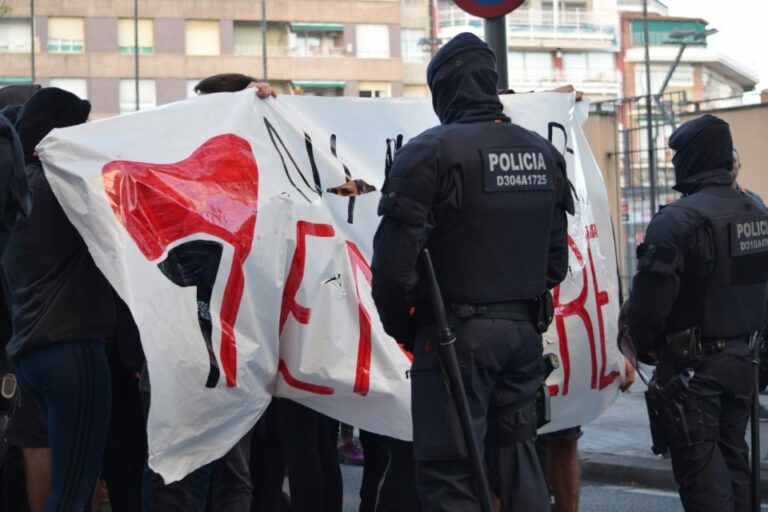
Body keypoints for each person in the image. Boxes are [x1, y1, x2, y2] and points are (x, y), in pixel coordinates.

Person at [371, 32, 574, 511]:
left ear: (443, 90)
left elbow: (393, 269)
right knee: (519, 463)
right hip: (523, 334)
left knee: (451, 475)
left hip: (453, 338)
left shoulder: (430, 151)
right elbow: (556, 262)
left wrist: (408, 327)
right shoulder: (543, 154)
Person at [626, 114, 768, 512]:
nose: (673, 164)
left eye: (678, 157)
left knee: (703, 480)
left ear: (692, 160)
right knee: (736, 465)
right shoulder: (757, 212)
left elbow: (647, 309)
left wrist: (648, 350)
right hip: (745, 362)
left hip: (693, 371)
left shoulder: (677, 220)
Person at [3, 87, 116, 512]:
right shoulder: (61, 188)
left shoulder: (16, 191)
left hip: (33, 356)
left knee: (64, 487)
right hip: (74, 350)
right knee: (73, 489)